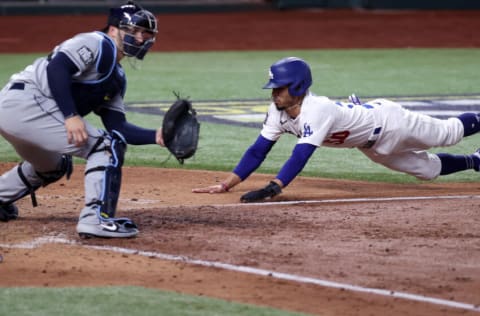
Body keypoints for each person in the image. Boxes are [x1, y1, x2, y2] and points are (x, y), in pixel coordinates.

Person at [193, 56, 480, 202]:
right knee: (427, 172)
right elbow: (258, 150)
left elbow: (301, 155)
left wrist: (274, 188)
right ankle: (476, 160)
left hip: (391, 121)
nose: (274, 94)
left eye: (279, 88)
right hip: (371, 147)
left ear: (297, 87)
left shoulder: (316, 109)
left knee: (449, 134)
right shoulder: (277, 112)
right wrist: (226, 184)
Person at [0, 1, 165, 238]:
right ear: (113, 29)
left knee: (54, 166)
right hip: (24, 103)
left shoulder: (117, 77)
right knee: (105, 146)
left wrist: (157, 136)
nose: (140, 39)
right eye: (134, 31)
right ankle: (95, 220)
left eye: (145, 33)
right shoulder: (97, 42)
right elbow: (58, 68)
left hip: (23, 111)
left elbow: (118, 127)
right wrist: (70, 115)